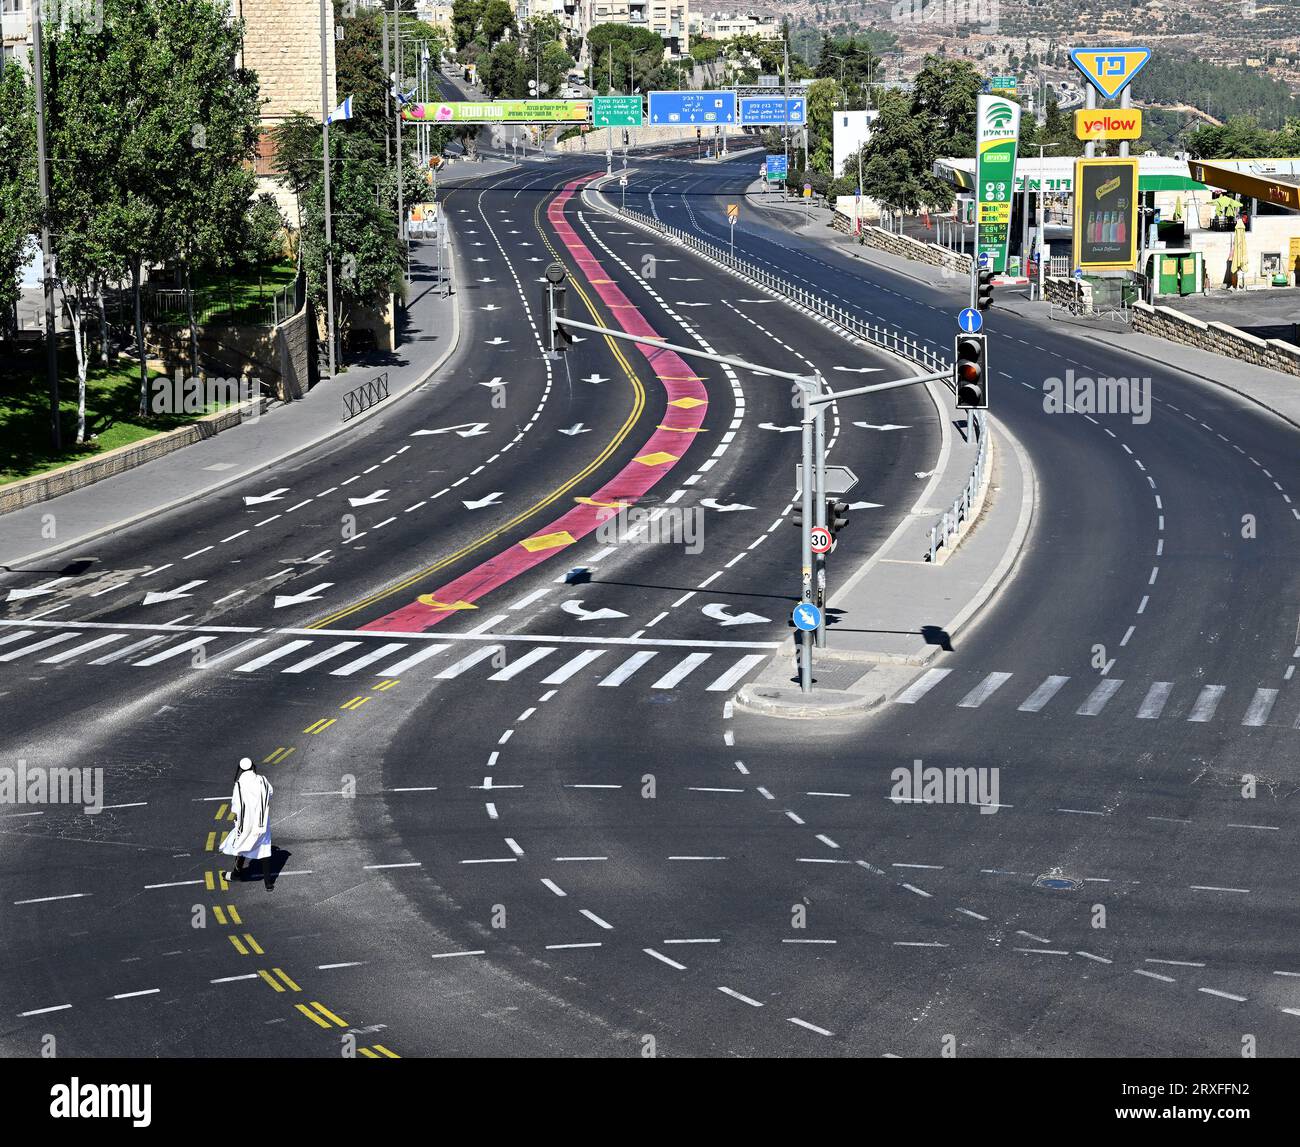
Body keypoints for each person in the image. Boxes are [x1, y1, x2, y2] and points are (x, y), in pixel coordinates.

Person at [221, 758, 274, 883]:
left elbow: (236, 804)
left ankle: (236, 873)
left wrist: (236, 815)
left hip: (246, 821)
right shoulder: (262, 780)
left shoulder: (239, 784)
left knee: (241, 843)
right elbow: (270, 792)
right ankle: (269, 883)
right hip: (261, 822)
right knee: (264, 849)